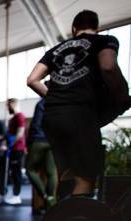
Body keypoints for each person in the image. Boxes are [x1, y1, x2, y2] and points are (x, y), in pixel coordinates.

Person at [27, 10, 131, 198]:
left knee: (66, 175)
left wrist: (55, 97)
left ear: (74, 29)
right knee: (85, 179)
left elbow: (32, 79)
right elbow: (108, 66)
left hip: (53, 117)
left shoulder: (56, 49)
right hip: (80, 115)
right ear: (97, 28)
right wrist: (123, 95)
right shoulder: (104, 41)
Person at [25, 98, 57, 209]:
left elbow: (36, 124)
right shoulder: (59, 103)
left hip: (39, 140)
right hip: (53, 140)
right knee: (51, 173)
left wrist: (29, 142)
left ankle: (44, 196)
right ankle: (51, 199)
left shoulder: (42, 103)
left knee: (30, 170)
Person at [0, 98, 26, 205]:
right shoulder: (12, 119)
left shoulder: (20, 116)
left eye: (8, 106)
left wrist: (9, 145)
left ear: (12, 105)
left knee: (16, 173)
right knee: (12, 173)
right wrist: (4, 144)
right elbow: (8, 135)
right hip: (12, 149)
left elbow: (20, 134)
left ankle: (17, 196)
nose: (7, 108)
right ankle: (14, 193)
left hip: (17, 149)